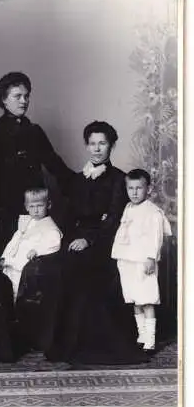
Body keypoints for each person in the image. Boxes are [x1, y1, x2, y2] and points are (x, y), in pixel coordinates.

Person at [47, 121, 148, 364]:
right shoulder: (78, 179)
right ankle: (66, 344)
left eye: (102, 143)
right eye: (92, 144)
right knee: (59, 266)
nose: (96, 149)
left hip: (105, 242)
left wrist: (89, 239)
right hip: (76, 240)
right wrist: (73, 238)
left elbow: (114, 219)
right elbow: (68, 216)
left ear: (111, 146)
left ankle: (93, 347)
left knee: (86, 271)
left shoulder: (119, 179)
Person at [0, 71, 72, 255]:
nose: (24, 101)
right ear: (4, 100)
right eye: (17, 96)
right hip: (6, 209)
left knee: (33, 254)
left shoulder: (34, 131)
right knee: (9, 256)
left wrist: (79, 182)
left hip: (34, 206)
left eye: (26, 96)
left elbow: (55, 164)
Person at [111, 169, 172, 352]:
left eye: (139, 188)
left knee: (146, 299)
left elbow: (155, 238)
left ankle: (151, 339)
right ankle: (142, 334)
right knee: (134, 299)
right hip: (128, 259)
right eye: (131, 188)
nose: (134, 192)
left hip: (143, 260)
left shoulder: (153, 212)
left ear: (149, 189)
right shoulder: (128, 208)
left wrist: (151, 258)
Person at [0, 187, 62, 301]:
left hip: (26, 263)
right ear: (27, 207)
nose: (36, 210)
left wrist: (37, 250)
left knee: (18, 288)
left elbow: (54, 242)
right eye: (32, 206)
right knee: (6, 285)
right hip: (13, 259)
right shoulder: (26, 222)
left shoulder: (49, 227)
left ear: (48, 205)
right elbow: (14, 241)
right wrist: (4, 256)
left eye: (40, 206)